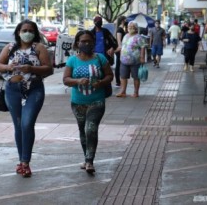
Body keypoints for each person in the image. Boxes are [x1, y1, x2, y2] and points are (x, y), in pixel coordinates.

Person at [0, 19, 53, 178]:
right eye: (24, 30)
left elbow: (49, 69)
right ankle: (22, 161)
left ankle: (26, 162)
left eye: (30, 30)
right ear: (18, 32)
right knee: (19, 125)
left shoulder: (39, 48)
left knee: (27, 124)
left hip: (34, 90)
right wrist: (8, 67)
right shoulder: (10, 47)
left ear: (34, 33)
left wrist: (32, 68)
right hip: (12, 90)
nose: (27, 33)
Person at [62, 30, 113, 174]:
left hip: (97, 100)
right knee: (83, 131)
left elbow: (110, 75)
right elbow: (66, 80)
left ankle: (90, 161)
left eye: (89, 41)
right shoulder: (73, 60)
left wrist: (101, 82)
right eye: (83, 41)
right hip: (78, 102)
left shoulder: (100, 58)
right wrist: (77, 81)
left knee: (91, 129)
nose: (86, 44)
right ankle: (86, 157)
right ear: (77, 43)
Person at [116, 21, 146, 98]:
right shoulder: (125, 36)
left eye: (133, 27)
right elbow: (122, 46)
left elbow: (143, 47)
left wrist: (142, 57)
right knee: (123, 77)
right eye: (130, 27)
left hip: (135, 61)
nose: (131, 28)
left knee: (136, 77)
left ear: (136, 28)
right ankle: (123, 92)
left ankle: (136, 92)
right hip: (124, 61)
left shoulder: (139, 37)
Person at [114, 16, 127, 87]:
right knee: (118, 65)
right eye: (125, 20)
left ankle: (119, 81)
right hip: (120, 50)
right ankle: (117, 81)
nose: (126, 22)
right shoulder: (119, 29)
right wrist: (120, 48)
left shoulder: (121, 29)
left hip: (121, 50)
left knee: (120, 65)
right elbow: (119, 41)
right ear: (122, 21)